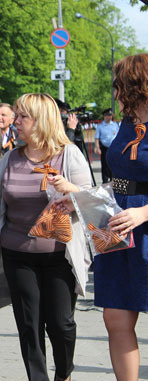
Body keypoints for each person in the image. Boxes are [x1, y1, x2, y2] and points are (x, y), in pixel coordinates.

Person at [0, 93, 92, 381]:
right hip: (17, 254)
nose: (15, 122)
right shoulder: (10, 158)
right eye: (15, 116)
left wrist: (69, 188)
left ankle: (63, 373)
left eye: (22, 117)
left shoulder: (69, 154)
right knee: (29, 325)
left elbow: (91, 201)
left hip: (58, 254)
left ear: (41, 121)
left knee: (61, 324)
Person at [93, 53, 148, 381]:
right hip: (117, 222)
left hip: (142, 219)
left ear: (137, 84)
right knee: (115, 317)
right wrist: (86, 200)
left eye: (120, 85)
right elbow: (119, 176)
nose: (115, 94)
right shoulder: (128, 122)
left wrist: (143, 212)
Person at [94, 108, 120, 183]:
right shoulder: (100, 126)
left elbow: (118, 135)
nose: (109, 117)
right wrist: (97, 147)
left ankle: (113, 179)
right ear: (104, 116)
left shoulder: (115, 125)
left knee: (113, 164)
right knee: (105, 165)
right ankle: (105, 181)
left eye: (110, 115)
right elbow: (97, 138)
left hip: (113, 148)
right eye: (108, 115)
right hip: (104, 148)